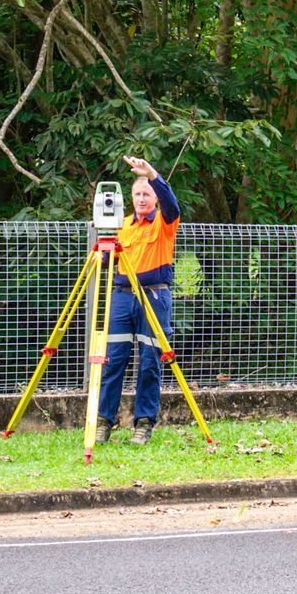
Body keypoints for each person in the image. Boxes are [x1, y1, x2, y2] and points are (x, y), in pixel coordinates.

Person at [95, 155, 181, 446]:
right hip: (122, 298)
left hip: (154, 297)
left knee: (149, 363)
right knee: (112, 361)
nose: (142, 198)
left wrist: (152, 174)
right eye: (137, 194)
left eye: (147, 194)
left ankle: (143, 424)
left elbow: (173, 204)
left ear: (155, 197)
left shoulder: (166, 222)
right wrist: (101, 256)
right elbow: (111, 261)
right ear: (129, 198)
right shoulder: (124, 226)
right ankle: (103, 422)